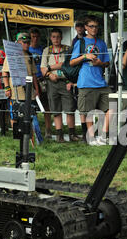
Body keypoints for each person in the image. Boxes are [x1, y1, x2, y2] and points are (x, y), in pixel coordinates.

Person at [70, 15, 110, 146]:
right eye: (91, 26)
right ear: (86, 27)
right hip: (86, 81)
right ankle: (91, 137)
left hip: (100, 81)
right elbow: (71, 62)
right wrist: (84, 56)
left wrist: (100, 63)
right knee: (88, 112)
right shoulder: (80, 43)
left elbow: (107, 63)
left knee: (111, 108)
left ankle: (103, 136)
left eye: (96, 26)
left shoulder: (102, 43)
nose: (94, 29)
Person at [41, 28, 80, 143]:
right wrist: (49, 74)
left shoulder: (68, 49)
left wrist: (51, 67)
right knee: (55, 110)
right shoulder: (46, 51)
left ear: (61, 37)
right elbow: (43, 69)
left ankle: (72, 134)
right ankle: (59, 135)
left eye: (58, 36)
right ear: (50, 38)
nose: (56, 39)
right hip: (52, 82)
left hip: (66, 81)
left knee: (70, 109)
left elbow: (67, 64)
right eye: (53, 37)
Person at [2, 32, 40, 127]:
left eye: (28, 42)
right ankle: (16, 135)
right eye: (24, 42)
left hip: (29, 91)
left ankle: (29, 134)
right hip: (16, 91)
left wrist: (37, 89)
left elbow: (34, 74)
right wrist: (7, 88)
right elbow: (5, 72)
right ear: (18, 42)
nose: (27, 44)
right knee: (15, 114)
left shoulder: (30, 55)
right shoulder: (11, 55)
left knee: (30, 113)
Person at [29, 27, 52, 139]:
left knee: (46, 106)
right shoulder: (26, 49)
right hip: (30, 81)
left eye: (37, 37)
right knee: (32, 107)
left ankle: (48, 130)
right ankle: (34, 130)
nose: (35, 39)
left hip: (42, 80)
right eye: (33, 36)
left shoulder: (43, 49)